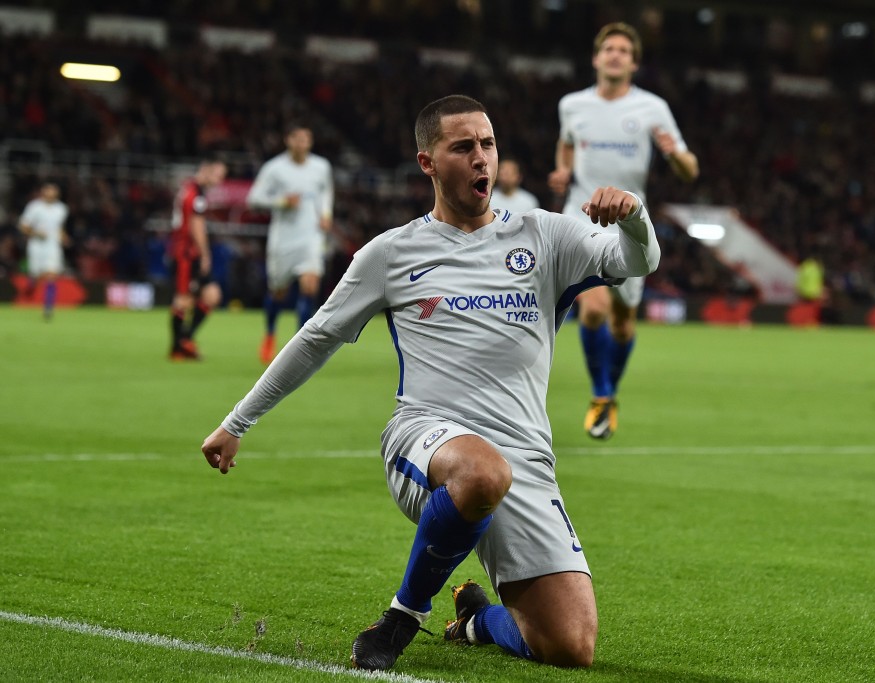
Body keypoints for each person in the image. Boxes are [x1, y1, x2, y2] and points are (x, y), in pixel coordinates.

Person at [201, 95, 660, 671]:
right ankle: (402, 617)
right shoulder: (393, 253)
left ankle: (476, 621)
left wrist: (634, 216)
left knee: (569, 646)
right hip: (425, 436)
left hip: (523, 455)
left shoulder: (545, 236)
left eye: (488, 144)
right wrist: (236, 423)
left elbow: (638, 261)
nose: (481, 158)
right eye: (463, 147)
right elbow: (316, 338)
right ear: (428, 162)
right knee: (481, 472)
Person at [548, 22, 699, 440]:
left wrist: (674, 156)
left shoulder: (652, 108)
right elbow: (566, 142)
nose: (615, 55)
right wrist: (563, 169)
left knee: (622, 324)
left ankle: (609, 391)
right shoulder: (572, 105)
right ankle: (600, 393)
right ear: (596, 58)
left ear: (634, 63)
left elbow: (690, 169)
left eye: (623, 51)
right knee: (592, 308)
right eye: (609, 49)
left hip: (630, 220)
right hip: (582, 215)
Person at [246, 123, 334, 364]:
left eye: (307, 138)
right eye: (298, 138)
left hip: (311, 235)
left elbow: (326, 192)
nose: (302, 143)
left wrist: (326, 214)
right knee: (279, 292)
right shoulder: (274, 168)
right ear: (288, 140)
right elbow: (253, 199)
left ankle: (299, 346)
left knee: (310, 285)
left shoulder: (321, 166)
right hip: (283, 238)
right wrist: (282, 202)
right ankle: (270, 333)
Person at [168, 157, 227, 360]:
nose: (219, 180)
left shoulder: (189, 189)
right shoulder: (196, 194)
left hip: (185, 251)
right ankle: (178, 348)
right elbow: (196, 225)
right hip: (186, 253)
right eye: (217, 175)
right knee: (183, 299)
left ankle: (184, 340)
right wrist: (205, 254)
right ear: (205, 170)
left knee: (211, 295)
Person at [17, 181, 69, 320]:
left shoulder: (62, 209)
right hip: (36, 246)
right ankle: (32, 284)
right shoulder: (34, 207)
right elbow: (23, 226)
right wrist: (36, 233)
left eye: (53, 191)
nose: (50, 193)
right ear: (43, 192)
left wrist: (64, 237)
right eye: (48, 190)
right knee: (37, 276)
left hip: (53, 246)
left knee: (51, 275)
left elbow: (59, 227)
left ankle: (48, 308)